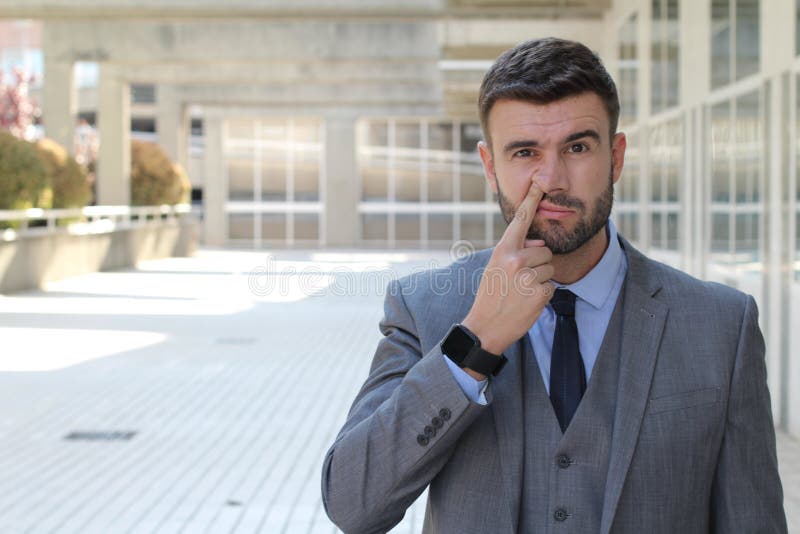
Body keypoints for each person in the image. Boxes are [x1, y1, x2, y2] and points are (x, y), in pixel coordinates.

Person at [321, 37, 787, 533]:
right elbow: (352, 504)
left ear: (617, 156)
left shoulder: (721, 325)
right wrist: (477, 342)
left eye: (578, 147)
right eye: (525, 152)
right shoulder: (424, 308)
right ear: (490, 167)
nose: (552, 178)